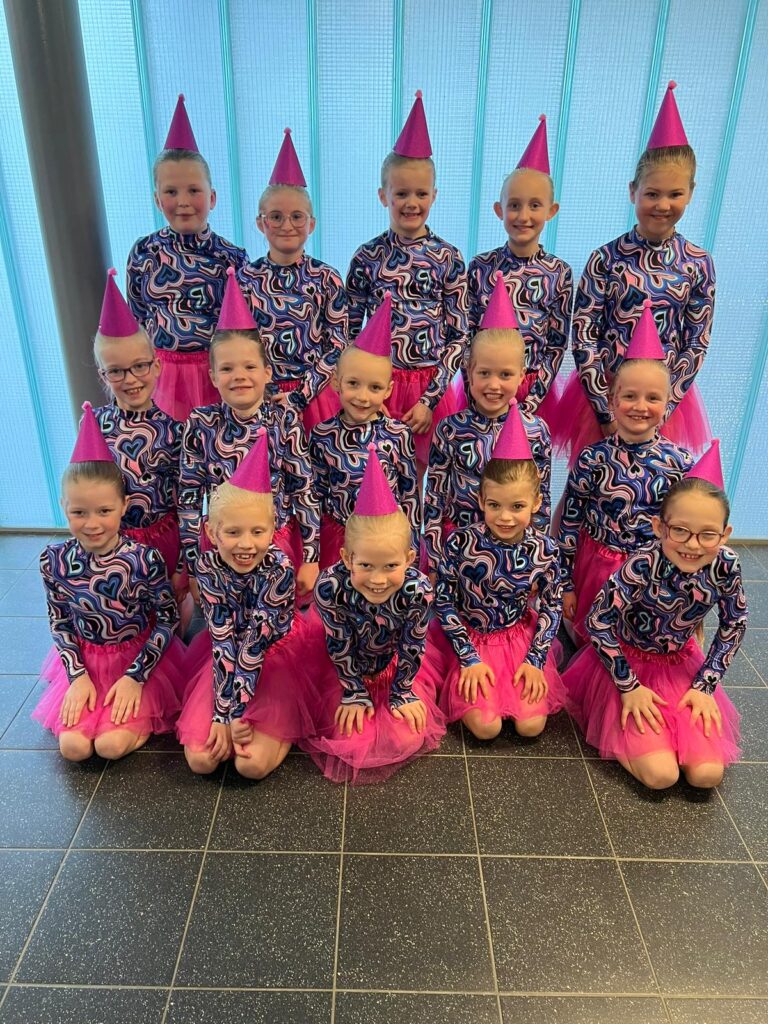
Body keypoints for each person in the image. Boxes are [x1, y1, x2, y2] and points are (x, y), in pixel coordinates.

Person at [563, 441, 746, 790]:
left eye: (707, 534)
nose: (692, 544)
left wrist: (705, 684)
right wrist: (628, 686)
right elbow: (598, 620)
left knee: (706, 775)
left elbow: (735, 622)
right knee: (661, 776)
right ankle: (627, 730)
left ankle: (668, 736)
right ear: (660, 527)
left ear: (725, 535)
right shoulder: (643, 562)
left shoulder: (725, 565)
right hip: (627, 663)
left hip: (680, 665)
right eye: (680, 530)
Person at [551, 82, 714, 465]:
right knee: (592, 479)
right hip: (605, 397)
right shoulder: (606, 259)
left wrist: (662, 406)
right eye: (652, 193)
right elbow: (584, 334)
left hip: (660, 404)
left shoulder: (697, 263)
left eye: (675, 194)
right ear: (633, 192)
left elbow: (696, 342)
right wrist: (604, 408)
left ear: (690, 193)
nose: (663, 205)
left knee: (652, 486)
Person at [33, 405, 185, 761]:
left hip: (138, 660)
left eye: (104, 511)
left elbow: (168, 620)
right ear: (64, 507)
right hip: (87, 661)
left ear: (123, 506)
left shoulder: (144, 559)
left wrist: (135, 677)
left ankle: (133, 718)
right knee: (73, 748)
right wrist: (77, 676)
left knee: (110, 746)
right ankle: (94, 703)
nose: (92, 524)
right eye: (79, 512)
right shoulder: (54, 560)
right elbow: (59, 622)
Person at [300, 447, 445, 784]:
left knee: (405, 735)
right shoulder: (330, 587)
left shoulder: (418, 590)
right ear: (346, 558)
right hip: (346, 665)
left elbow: (412, 645)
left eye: (390, 565)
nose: (378, 580)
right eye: (365, 565)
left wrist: (402, 690)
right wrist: (353, 690)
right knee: (346, 729)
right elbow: (339, 643)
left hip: (394, 665)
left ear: (409, 559)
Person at [178, 270, 320, 601]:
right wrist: (194, 566)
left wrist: (311, 557)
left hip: (275, 542)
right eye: (227, 369)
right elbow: (188, 499)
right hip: (221, 546)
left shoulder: (284, 420)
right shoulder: (201, 423)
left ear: (267, 372)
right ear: (213, 376)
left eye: (249, 367)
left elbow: (304, 489)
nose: (239, 376)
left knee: (275, 619)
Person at [178, 436, 315, 779]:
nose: (246, 544)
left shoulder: (279, 569)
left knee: (250, 765)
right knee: (200, 761)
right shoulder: (207, 566)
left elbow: (255, 645)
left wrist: (236, 713)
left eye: (257, 531)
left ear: (272, 530)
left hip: (273, 655)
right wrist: (221, 715)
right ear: (212, 532)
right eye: (233, 532)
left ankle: (282, 727)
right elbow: (223, 638)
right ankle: (231, 718)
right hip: (227, 657)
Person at [558, 301, 693, 644]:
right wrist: (565, 583)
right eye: (630, 395)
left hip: (651, 574)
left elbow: (685, 528)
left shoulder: (680, 464)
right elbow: (570, 523)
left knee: (635, 642)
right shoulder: (593, 458)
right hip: (596, 568)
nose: (640, 406)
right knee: (591, 642)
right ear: (612, 400)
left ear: (667, 403)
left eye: (652, 398)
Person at [346, 92, 468, 467]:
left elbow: (459, 334)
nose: (411, 202)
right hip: (377, 385)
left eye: (420, 193)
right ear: (383, 195)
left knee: (418, 473)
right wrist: (367, 391)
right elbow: (348, 332)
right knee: (375, 470)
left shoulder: (448, 257)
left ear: (434, 195)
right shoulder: (367, 257)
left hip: (429, 388)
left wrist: (430, 399)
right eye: (401, 193)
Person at [427, 410, 565, 741]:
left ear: (535, 503)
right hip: (469, 636)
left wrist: (535, 659)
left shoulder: (544, 549)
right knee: (486, 728)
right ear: (481, 500)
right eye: (494, 505)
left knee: (531, 726)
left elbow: (552, 605)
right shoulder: (461, 542)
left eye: (517, 506)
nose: (505, 517)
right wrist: (468, 657)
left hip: (517, 639)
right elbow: (443, 602)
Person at [126, 95, 247, 420]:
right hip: (162, 375)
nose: (183, 201)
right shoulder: (144, 253)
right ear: (157, 199)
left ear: (212, 197)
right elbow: (137, 319)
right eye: (171, 191)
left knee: (219, 444)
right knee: (168, 442)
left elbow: (243, 329)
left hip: (217, 374)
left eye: (194, 190)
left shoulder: (232, 258)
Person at [423, 274, 551, 574]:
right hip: (458, 550)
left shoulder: (536, 431)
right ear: (469, 373)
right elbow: (434, 499)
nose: (494, 385)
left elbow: (541, 502)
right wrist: (436, 560)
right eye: (484, 373)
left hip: (514, 554)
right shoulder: (450, 430)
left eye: (505, 375)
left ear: (522, 376)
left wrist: (537, 562)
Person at [91, 269, 190, 629]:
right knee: (127, 621)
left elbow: (186, 501)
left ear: (156, 365)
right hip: (114, 542)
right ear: (103, 375)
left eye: (139, 367)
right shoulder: (94, 426)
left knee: (170, 622)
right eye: (116, 372)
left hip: (165, 540)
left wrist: (184, 565)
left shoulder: (175, 430)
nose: (130, 379)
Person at [238, 129, 347, 433]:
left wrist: (301, 395)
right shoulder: (246, 279)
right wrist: (266, 389)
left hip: (315, 397)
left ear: (311, 224)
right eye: (276, 216)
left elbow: (338, 344)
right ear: (261, 223)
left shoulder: (327, 278)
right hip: (260, 397)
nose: (287, 225)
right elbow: (239, 343)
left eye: (297, 216)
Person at [468, 116, 572, 426]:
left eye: (535, 205)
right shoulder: (480, 267)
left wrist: (532, 400)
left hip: (533, 391)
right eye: (514, 205)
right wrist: (476, 390)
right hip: (484, 388)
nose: (523, 216)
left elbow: (556, 343)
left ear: (551, 211)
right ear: (499, 209)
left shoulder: (559, 273)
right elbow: (466, 334)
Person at [309, 295, 420, 568]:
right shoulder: (322, 435)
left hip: (387, 542)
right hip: (339, 540)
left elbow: (409, 496)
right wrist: (313, 550)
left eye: (374, 387)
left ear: (388, 390)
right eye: (353, 384)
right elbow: (315, 497)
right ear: (336, 382)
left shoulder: (398, 434)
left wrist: (412, 546)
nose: (362, 396)